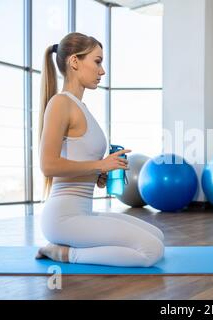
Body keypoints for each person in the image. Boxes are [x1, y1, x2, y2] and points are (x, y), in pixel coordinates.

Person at [35, 32, 165, 267]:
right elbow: (48, 165)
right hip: (63, 217)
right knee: (151, 250)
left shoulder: (80, 107)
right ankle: (64, 253)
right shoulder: (60, 104)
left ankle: (70, 247)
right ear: (74, 61)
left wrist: (100, 174)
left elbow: (77, 162)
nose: (102, 70)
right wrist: (99, 165)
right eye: (97, 61)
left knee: (158, 237)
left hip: (82, 212)